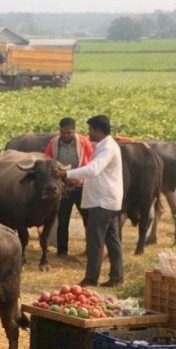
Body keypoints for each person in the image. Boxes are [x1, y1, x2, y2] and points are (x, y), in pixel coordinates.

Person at [52, 115, 124, 287]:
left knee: (95, 241)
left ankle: (91, 279)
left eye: (91, 129)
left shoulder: (107, 147)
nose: (88, 133)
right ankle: (117, 277)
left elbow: (94, 169)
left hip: (102, 202)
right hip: (108, 200)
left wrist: (66, 173)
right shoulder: (105, 145)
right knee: (112, 241)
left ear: (98, 131)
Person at [46, 117, 94, 257]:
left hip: (80, 186)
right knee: (63, 219)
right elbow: (47, 159)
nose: (66, 135)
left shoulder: (84, 142)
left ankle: (90, 249)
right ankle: (62, 251)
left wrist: (77, 178)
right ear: (59, 130)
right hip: (63, 186)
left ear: (74, 131)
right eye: (63, 132)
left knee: (87, 218)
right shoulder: (54, 143)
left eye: (69, 132)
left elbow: (89, 163)